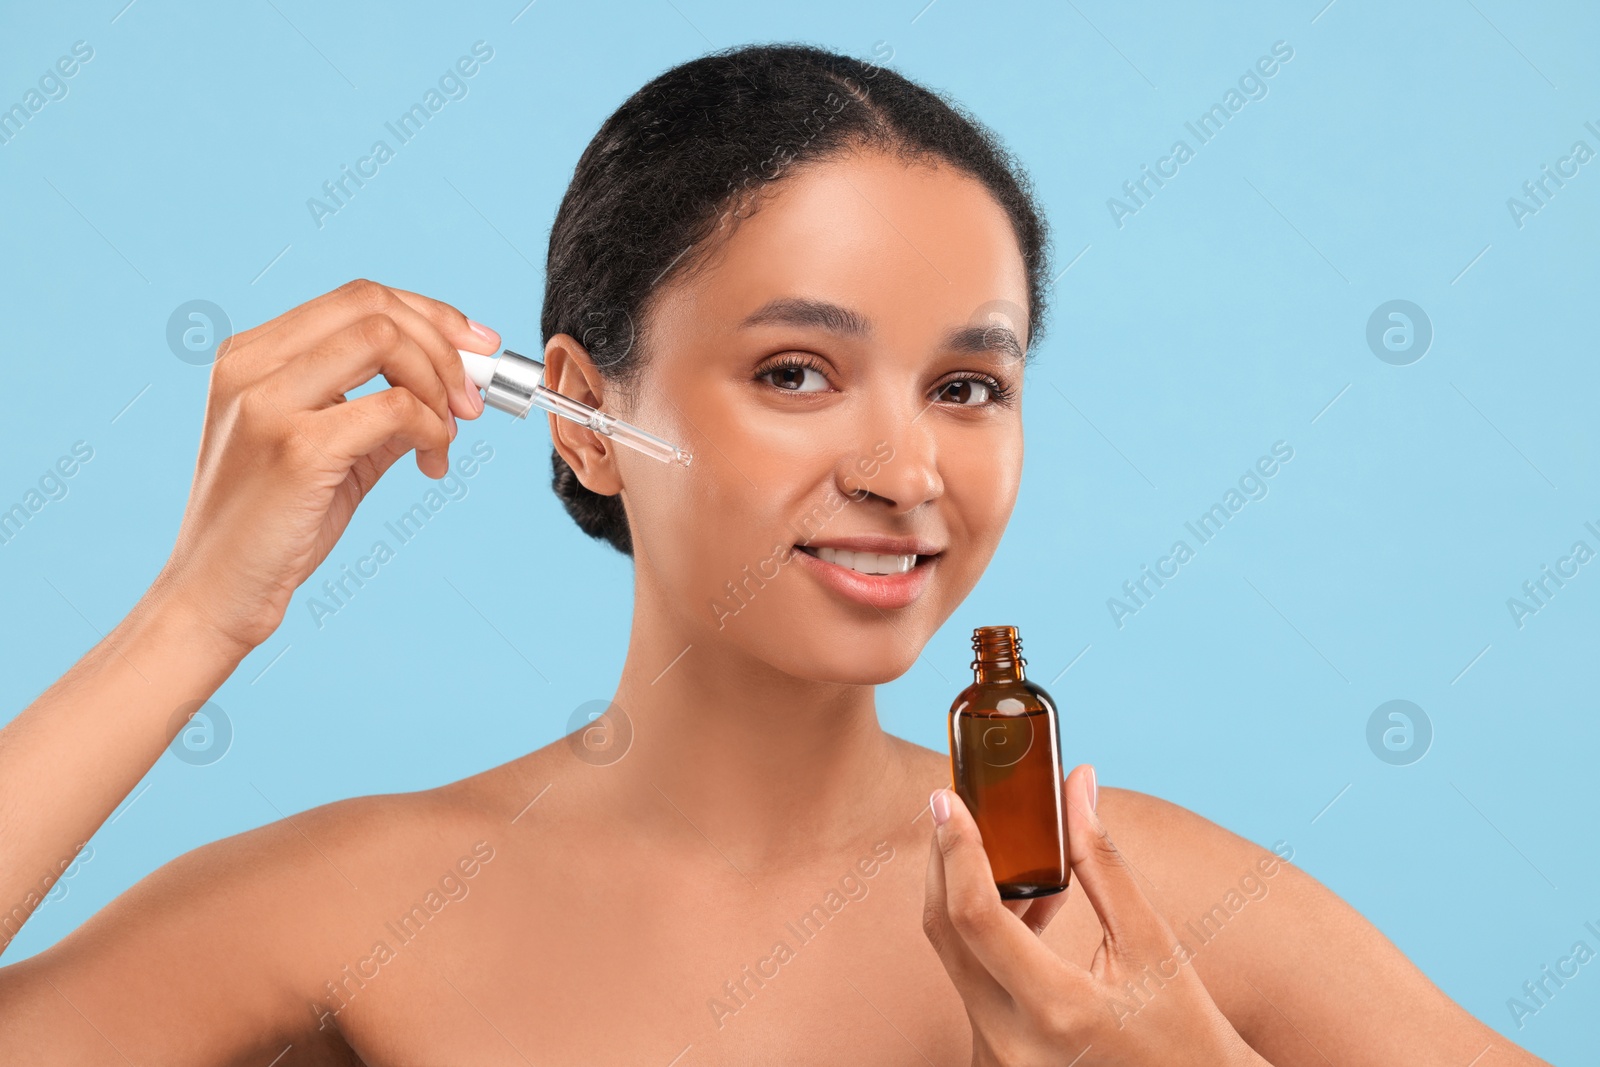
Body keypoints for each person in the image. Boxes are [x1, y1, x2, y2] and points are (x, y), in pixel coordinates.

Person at [0, 43, 1549, 1066]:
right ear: (586, 417)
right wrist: (194, 616)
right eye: (797, 372)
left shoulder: (1134, 906)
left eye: (968, 386)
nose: (902, 472)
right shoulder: (348, 907)